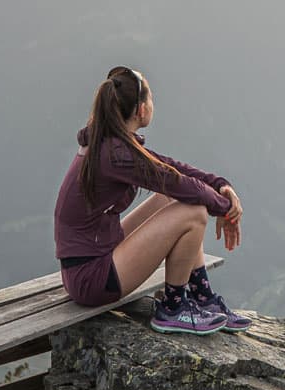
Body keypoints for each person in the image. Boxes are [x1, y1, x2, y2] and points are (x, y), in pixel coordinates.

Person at [53, 64, 249, 335]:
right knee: (194, 213)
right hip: (92, 278)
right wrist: (225, 209)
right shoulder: (115, 154)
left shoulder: (110, 143)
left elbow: (170, 168)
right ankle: (173, 308)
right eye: (151, 97)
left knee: (170, 199)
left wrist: (220, 185)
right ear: (141, 110)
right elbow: (175, 180)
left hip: (91, 260)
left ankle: (203, 299)